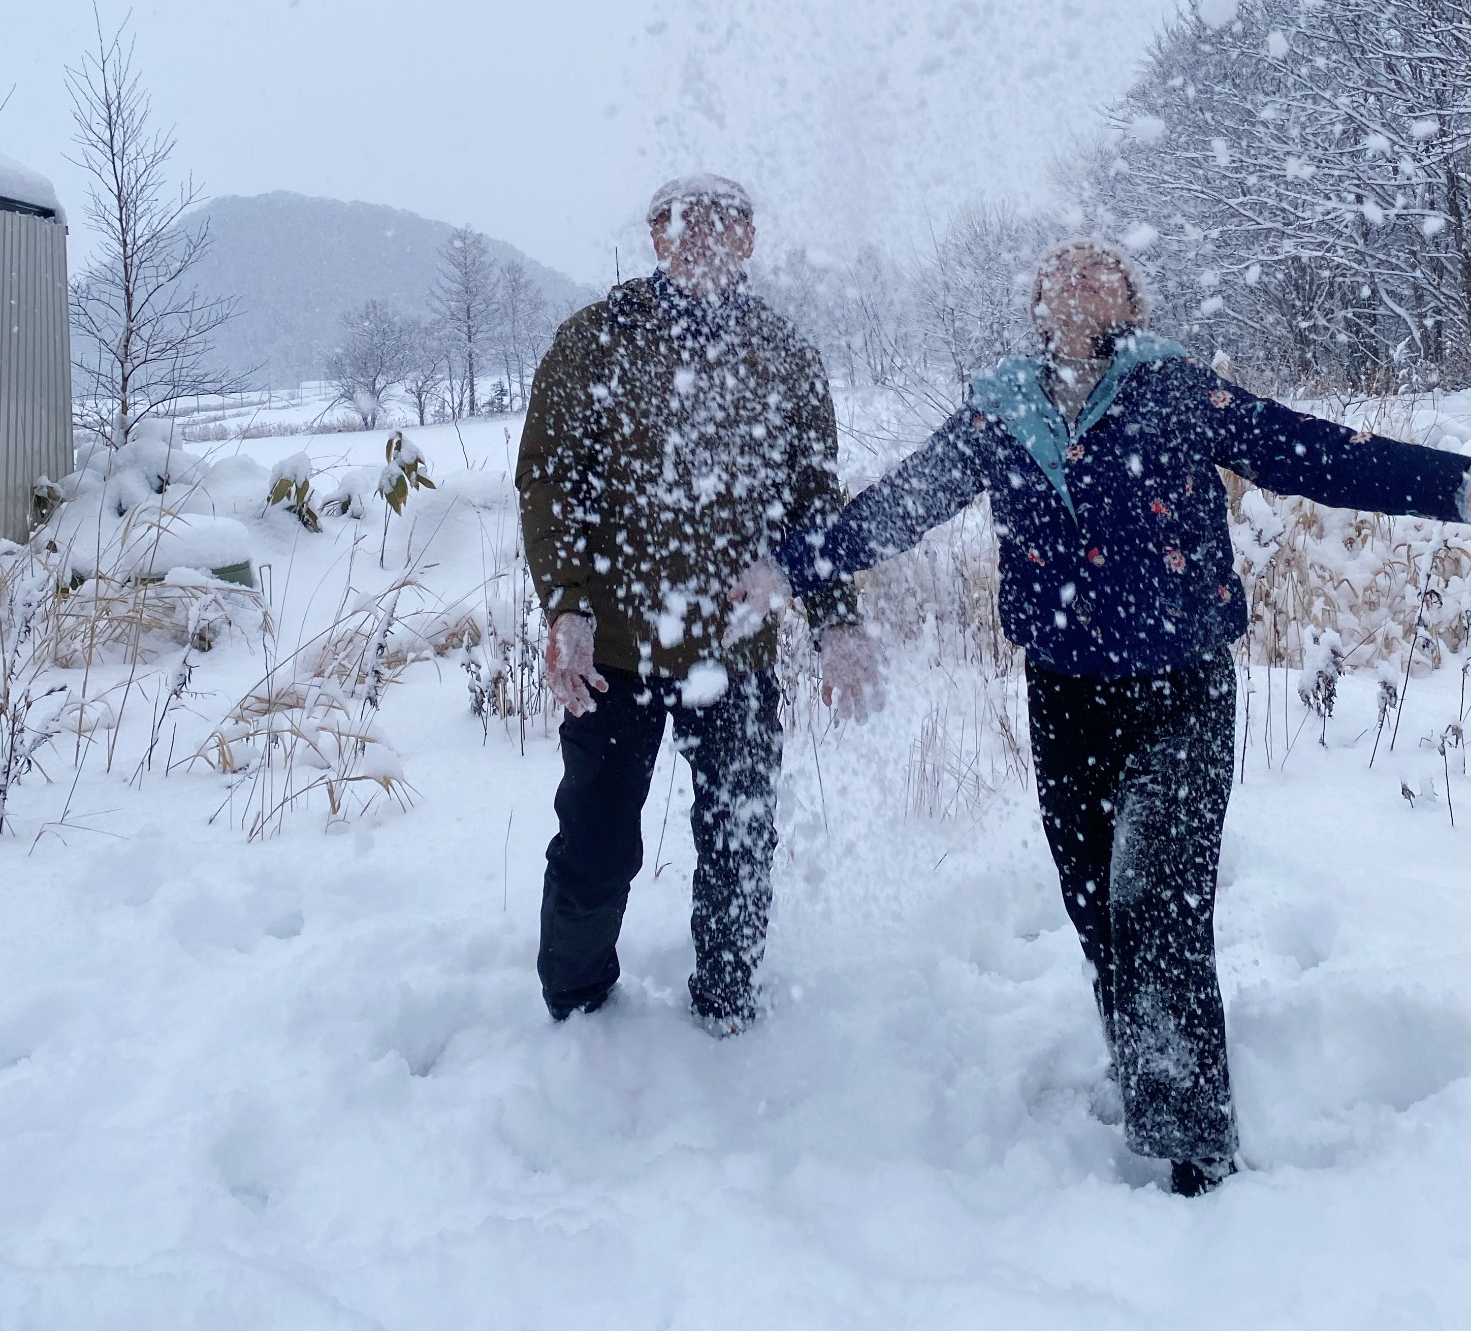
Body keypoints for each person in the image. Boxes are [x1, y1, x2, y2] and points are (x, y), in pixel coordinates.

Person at [733, 238, 1471, 1192]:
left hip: (1182, 690)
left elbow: (1317, 455)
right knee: (1097, 912)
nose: (1081, 279)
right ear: (1037, 299)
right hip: (1065, 695)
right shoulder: (1001, 411)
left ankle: (1198, 1153)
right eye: (1062, 270)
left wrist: (1456, 484)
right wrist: (789, 568)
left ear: (1130, 295)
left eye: (1104, 269)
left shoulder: (1176, 388)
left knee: (1154, 902)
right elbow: (903, 505)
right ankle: (1144, 1071)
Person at [516, 175, 864, 1032]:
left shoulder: (782, 350)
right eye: (682, 221)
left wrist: (836, 620)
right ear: (657, 238)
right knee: (596, 844)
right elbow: (549, 478)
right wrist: (565, 604)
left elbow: (812, 500)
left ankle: (728, 1002)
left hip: (734, 649)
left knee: (741, 842)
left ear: (749, 238)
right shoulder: (597, 340)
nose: (701, 234)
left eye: (722, 222)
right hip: (616, 651)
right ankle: (577, 1007)